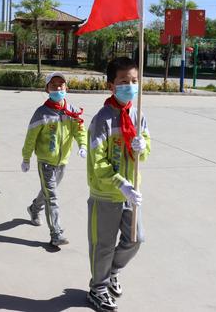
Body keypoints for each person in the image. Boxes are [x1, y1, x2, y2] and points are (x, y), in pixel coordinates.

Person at [86, 57, 150, 312]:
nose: (130, 86)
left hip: (131, 194)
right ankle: (97, 288)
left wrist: (142, 147)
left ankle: (113, 270)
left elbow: (145, 149)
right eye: (124, 81)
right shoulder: (102, 119)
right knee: (102, 245)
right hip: (106, 194)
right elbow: (97, 161)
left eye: (134, 81)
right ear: (111, 85)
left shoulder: (138, 113)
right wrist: (119, 184)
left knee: (136, 239)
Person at [21, 72, 87, 247]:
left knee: (48, 192)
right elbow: (30, 137)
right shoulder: (41, 113)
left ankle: (34, 208)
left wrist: (82, 145)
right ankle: (56, 233)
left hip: (62, 162)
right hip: (46, 162)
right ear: (47, 89)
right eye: (54, 85)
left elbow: (79, 130)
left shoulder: (71, 111)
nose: (58, 88)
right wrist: (26, 158)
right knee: (53, 197)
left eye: (61, 85)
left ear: (67, 88)